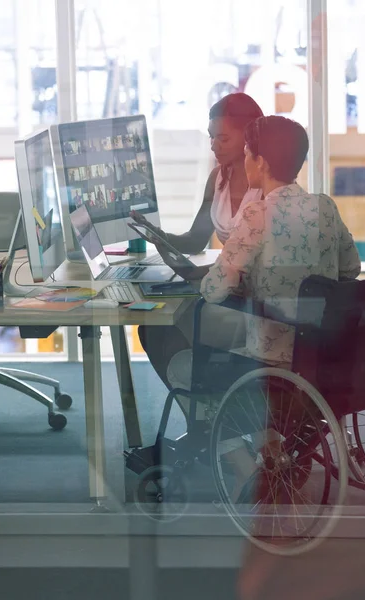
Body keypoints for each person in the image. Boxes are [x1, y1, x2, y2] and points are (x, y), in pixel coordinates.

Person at [165, 115, 361, 496]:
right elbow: (350, 271)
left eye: (248, 153)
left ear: (261, 162)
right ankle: (270, 445)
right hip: (321, 353)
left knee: (183, 365)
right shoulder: (325, 207)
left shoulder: (258, 214)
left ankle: (243, 468)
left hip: (270, 362)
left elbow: (214, 291)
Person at [131, 92, 264, 388]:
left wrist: (196, 274)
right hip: (225, 287)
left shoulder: (268, 185)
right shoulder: (217, 178)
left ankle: (207, 411)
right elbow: (194, 239)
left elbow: (259, 261)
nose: (214, 146)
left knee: (158, 329)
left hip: (253, 301)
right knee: (153, 327)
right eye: (211, 138)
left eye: (223, 139)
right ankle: (204, 410)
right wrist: (158, 235)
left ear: (249, 138)